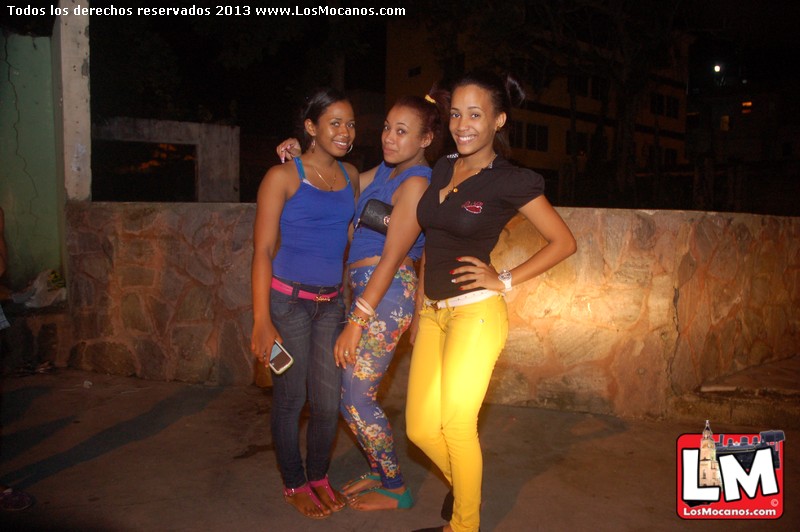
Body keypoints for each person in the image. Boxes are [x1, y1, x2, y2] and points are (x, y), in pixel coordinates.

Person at [406, 71, 577, 532]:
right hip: (434, 312)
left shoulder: (510, 180)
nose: (462, 124)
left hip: (476, 313)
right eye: (456, 113)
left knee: (457, 424)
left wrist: (503, 279)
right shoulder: (442, 166)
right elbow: (431, 239)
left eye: (475, 114)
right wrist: (422, 307)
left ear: (498, 120)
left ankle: (464, 527)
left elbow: (563, 242)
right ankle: (466, 487)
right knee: (420, 429)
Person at [277, 95, 442, 512]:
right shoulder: (386, 172)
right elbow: (336, 181)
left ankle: (395, 486)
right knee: (347, 391)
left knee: (353, 395)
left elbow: (392, 256)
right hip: (365, 288)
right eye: (387, 126)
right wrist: (301, 153)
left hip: (385, 294)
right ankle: (379, 466)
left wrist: (357, 319)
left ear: (425, 139)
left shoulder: (417, 183)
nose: (389, 137)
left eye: (402, 131)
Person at [250, 87, 358, 520]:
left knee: (329, 403)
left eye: (350, 123)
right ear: (311, 127)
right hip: (287, 303)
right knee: (291, 400)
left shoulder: (351, 174)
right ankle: (294, 481)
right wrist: (261, 320)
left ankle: (318, 476)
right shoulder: (282, 178)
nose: (345, 132)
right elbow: (261, 251)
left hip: (332, 305)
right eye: (334, 123)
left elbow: (394, 181)